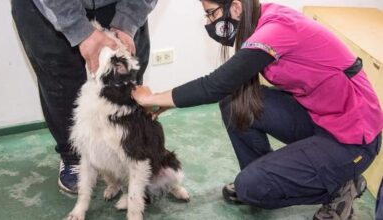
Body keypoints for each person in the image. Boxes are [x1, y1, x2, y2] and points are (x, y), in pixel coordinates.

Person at [132, 0, 383, 219]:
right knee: (234, 103)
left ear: (237, 7)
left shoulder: (275, 30)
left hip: (353, 135)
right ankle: (263, 177)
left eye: (211, 14)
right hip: (321, 117)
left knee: (250, 187)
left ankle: (341, 185)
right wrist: (163, 101)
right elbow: (226, 84)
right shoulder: (261, 21)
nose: (209, 22)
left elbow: (216, 84)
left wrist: (153, 98)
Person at [11, 0, 157, 194]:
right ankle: (73, 157)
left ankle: (127, 153)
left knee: (125, 81)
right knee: (60, 81)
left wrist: (128, 21)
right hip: (47, 7)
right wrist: (77, 28)